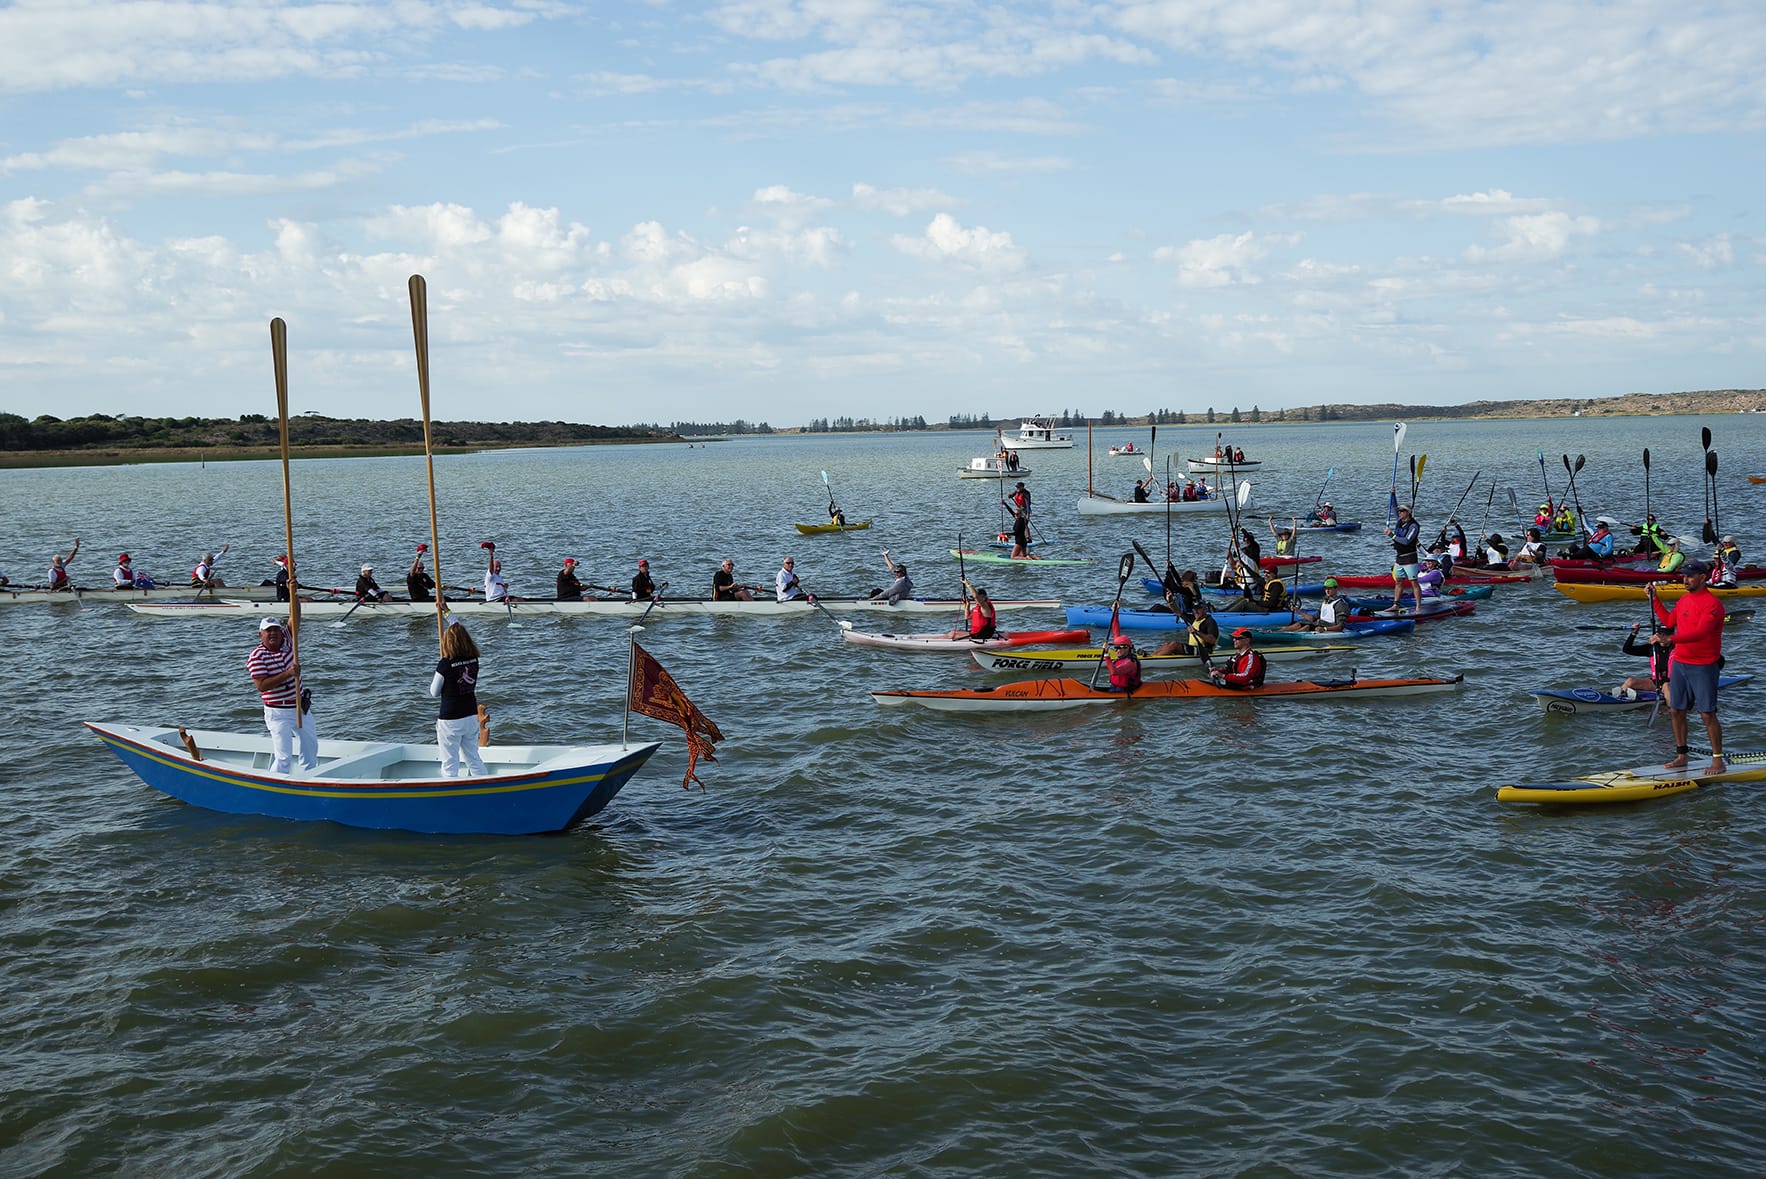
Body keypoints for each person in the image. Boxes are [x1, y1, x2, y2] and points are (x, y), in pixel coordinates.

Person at [1650, 562, 1726, 774]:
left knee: (1707, 714)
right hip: (1681, 664)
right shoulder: (1684, 600)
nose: (1685, 579)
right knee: (1676, 710)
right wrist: (1654, 598)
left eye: (1690, 576)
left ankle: (1717, 760)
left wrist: (1670, 639)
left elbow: (1701, 633)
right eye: (1684, 576)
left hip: (1703, 666)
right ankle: (1682, 755)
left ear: (1703, 577)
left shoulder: (1713, 604)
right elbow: (1668, 620)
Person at [247, 617, 316, 775]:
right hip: (278, 712)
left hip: (300, 708)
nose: (273, 633)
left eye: (276, 629)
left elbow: (295, 617)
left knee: (310, 749)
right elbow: (262, 686)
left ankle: (309, 778)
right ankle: (277, 783)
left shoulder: (288, 642)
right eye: (268, 630)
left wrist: (294, 593)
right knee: (283, 757)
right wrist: (288, 674)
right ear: (260, 635)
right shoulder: (257, 657)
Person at [430, 621, 487, 778]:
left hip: (450, 719)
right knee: (473, 758)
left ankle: (449, 793)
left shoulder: (445, 664)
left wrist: (442, 669)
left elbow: (434, 692)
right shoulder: (474, 660)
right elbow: (458, 626)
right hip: (470, 715)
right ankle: (483, 786)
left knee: (449, 762)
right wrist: (447, 612)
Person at [1615, 619, 1672, 699]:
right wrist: (1634, 633)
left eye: (1664, 635)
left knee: (1666, 686)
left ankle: (1671, 710)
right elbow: (1627, 649)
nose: (1660, 637)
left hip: (1673, 683)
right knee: (1630, 681)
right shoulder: (1652, 648)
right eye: (1659, 634)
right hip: (1656, 683)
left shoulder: (1678, 647)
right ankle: (1619, 699)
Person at [1387, 504, 1420, 612]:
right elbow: (1393, 507)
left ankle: (1418, 607)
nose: (1399, 512)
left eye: (1402, 511)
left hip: (1410, 558)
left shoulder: (1413, 526)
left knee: (1413, 583)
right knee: (1399, 582)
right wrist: (1393, 493)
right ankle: (1396, 604)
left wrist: (1392, 535)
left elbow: (1406, 541)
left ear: (1408, 512)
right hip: (1399, 558)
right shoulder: (1400, 521)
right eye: (1399, 511)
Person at [1283, 577, 1349, 632]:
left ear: (1336, 589)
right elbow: (1313, 618)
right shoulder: (1325, 602)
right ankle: (1276, 633)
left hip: (1328, 627)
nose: (1327, 590)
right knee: (1297, 624)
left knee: (1307, 627)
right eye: (1326, 588)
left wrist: (1324, 629)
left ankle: (1288, 636)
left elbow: (1340, 627)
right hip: (1319, 624)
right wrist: (1298, 611)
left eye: (1330, 588)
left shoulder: (1341, 604)